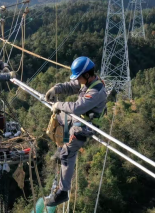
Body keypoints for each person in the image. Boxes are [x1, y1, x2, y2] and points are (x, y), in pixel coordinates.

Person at [44, 57, 107, 207]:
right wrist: (56, 89)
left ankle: (63, 192)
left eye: (78, 76)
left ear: (86, 74)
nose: (77, 80)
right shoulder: (86, 81)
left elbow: (77, 107)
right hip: (80, 117)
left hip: (87, 125)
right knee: (60, 118)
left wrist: (59, 103)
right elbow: (70, 85)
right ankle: (62, 146)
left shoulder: (96, 90)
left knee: (68, 152)